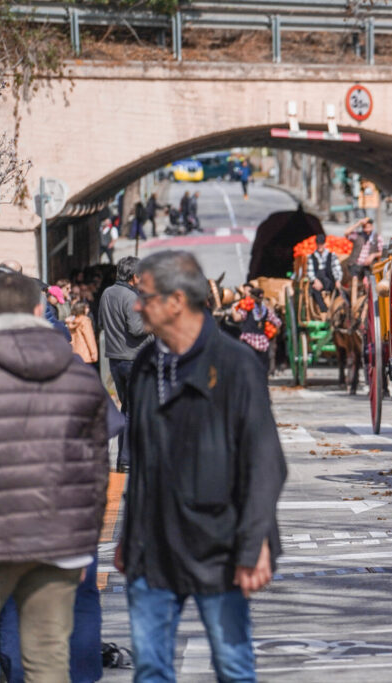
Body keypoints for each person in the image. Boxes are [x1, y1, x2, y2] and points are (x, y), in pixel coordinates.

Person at [114, 250, 287, 682]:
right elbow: (141, 460)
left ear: (176, 301)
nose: (136, 305)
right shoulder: (144, 368)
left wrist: (254, 546)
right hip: (152, 548)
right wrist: (128, 536)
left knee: (232, 666)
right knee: (151, 669)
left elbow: (264, 462)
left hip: (220, 547)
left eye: (145, 296)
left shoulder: (235, 365)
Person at [0, 271, 111, 681]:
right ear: (40, 309)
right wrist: (84, 540)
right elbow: (97, 469)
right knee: (47, 659)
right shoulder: (78, 376)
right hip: (59, 537)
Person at [98, 256, 152, 472]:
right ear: (134, 276)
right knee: (134, 411)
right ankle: (128, 459)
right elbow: (137, 329)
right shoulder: (131, 298)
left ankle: (125, 458)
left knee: (127, 408)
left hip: (115, 359)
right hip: (134, 359)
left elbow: (102, 322)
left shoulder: (107, 293)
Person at [232, 287, 282, 373]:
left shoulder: (246, 308)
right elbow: (278, 322)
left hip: (248, 340)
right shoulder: (266, 310)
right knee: (261, 367)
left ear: (251, 297)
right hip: (262, 343)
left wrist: (233, 309)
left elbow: (237, 318)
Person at [306, 237, 343, 316]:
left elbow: (336, 269)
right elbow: (310, 272)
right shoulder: (311, 257)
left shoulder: (331, 255)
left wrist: (338, 280)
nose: (320, 246)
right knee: (314, 289)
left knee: (336, 290)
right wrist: (315, 280)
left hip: (329, 279)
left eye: (321, 244)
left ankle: (336, 311)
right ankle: (323, 310)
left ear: (325, 244)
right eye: (318, 244)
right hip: (317, 280)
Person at [67, 301, 98, 366]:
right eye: (86, 308)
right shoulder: (85, 321)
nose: (88, 309)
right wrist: (94, 353)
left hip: (74, 354)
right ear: (82, 309)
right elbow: (89, 338)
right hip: (85, 355)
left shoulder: (71, 321)